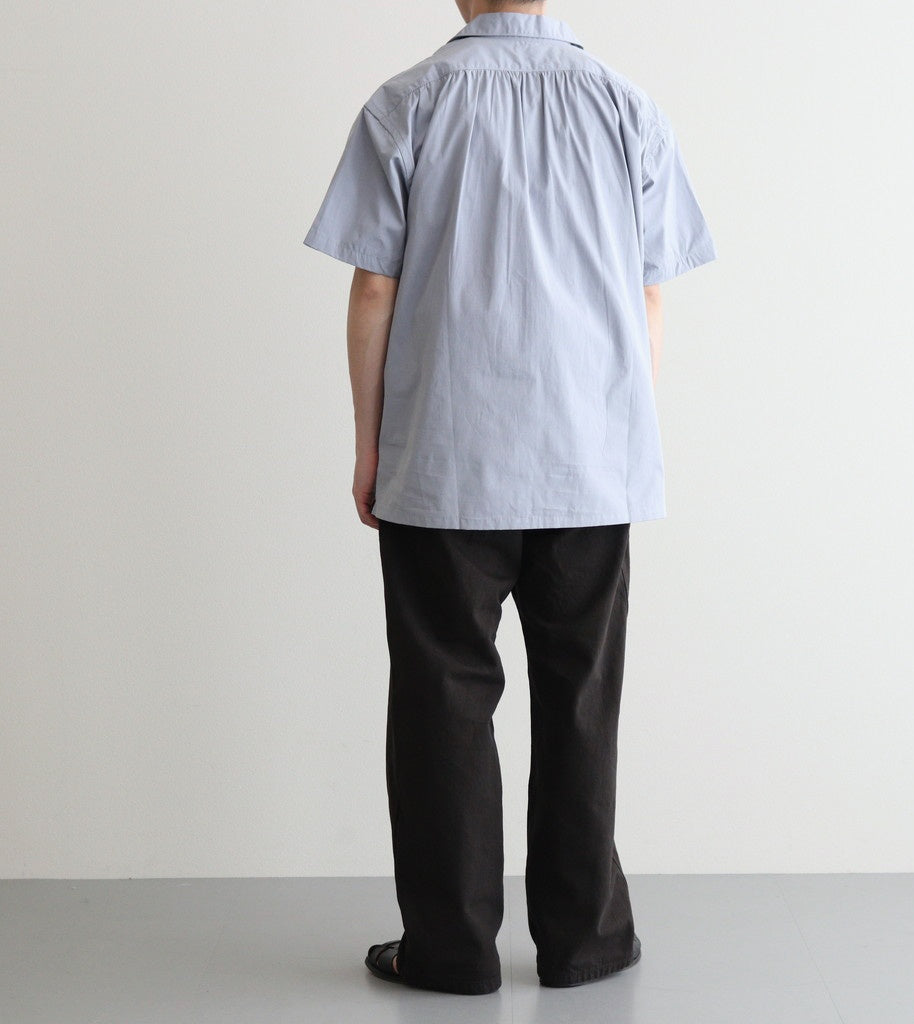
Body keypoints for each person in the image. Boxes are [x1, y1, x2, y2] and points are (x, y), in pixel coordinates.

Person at [302, 0, 715, 996]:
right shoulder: (626, 107)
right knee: (580, 701)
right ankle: (586, 939)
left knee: (442, 702)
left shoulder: (408, 103)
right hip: (589, 462)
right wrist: (616, 436)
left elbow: (373, 289)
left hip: (446, 460)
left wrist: (370, 445)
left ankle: (449, 948)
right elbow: (649, 291)